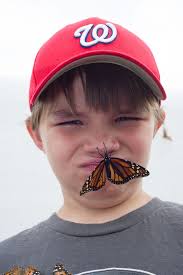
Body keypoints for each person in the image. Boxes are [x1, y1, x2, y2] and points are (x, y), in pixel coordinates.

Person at [0, 17, 183, 275]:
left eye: (125, 118)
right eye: (72, 121)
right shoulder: (9, 263)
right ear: (36, 135)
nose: (102, 143)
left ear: (156, 125)